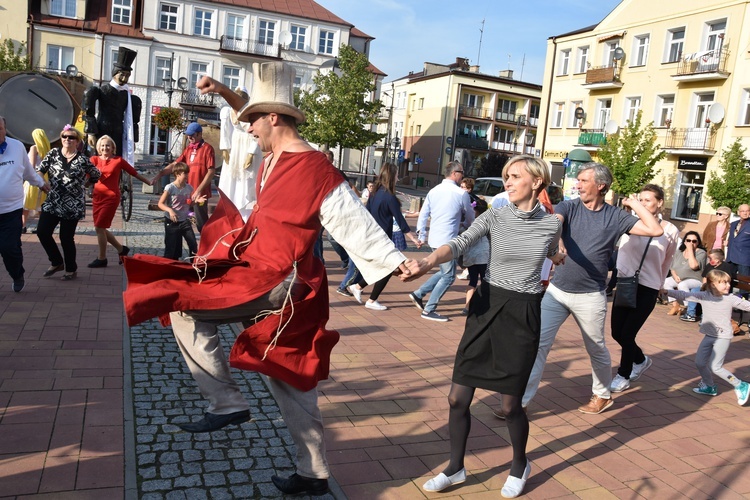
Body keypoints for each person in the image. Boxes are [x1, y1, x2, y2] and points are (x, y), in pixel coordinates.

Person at [121, 61, 417, 497]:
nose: (249, 129)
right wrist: (223, 89)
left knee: (179, 302)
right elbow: (248, 112)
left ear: (274, 118)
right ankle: (313, 473)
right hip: (257, 271)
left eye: (255, 121)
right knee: (284, 374)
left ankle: (226, 402)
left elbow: (353, 220)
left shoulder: (317, 169)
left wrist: (395, 261)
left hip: (280, 281)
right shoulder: (273, 156)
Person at [404, 155, 563, 498]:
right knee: (457, 398)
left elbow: (550, 250)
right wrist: (428, 260)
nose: (507, 182)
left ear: (537, 182)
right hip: (486, 305)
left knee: (509, 405)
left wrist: (557, 256)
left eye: (514, 176)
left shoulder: (553, 223)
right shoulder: (496, 214)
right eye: (506, 176)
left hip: (522, 314)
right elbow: (461, 242)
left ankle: (520, 464)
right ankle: (456, 467)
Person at [520, 162, 663, 415]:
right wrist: (555, 243)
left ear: (601, 186)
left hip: (590, 295)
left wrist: (635, 203)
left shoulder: (616, 216)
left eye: (584, 181)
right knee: (537, 344)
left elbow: (655, 229)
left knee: (595, 347)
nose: (578, 185)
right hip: (558, 291)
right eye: (578, 180)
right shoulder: (570, 206)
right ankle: (520, 402)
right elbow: (556, 221)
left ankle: (602, 395)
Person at [609, 184, 679, 393]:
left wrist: (659, 284)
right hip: (625, 281)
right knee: (616, 333)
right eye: (641, 199)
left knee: (628, 333)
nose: (643, 203)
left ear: (659, 203)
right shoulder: (629, 222)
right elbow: (616, 245)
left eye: (648, 200)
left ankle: (623, 374)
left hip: (648, 286)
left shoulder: (669, 230)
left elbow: (667, 260)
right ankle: (640, 359)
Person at [663, 270, 750, 405]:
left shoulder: (730, 298)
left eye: (728, 282)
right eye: (724, 283)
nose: (728, 285)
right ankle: (709, 386)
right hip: (709, 336)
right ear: (713, 284)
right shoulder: (704, 296)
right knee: (699, 362)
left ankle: (740, 385)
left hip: (723, 336)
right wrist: (667, 292)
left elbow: (747, 306)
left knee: (715, 367)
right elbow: (685, 295)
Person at [347, 163, 421, 310]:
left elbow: (366, 213)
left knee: (383, 267)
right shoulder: (390, 197)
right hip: (383, 239)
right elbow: (400, 220)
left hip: (373, 236)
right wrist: (413, 238)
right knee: (389, 268)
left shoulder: (374, 193)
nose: (398, 177)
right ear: (392, 176)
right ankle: (371, 299)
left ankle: (358, 286)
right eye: (397, 174)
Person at [409, 161, 475, 321]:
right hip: (449, 241)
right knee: (449, 276)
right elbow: (470, 217)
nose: (462, 176)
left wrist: (422, 235)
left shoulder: (434, 190)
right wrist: (465, 226)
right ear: (454, 173)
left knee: (444, 271)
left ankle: (419, 293)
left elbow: (423, 214)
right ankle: (429, 309)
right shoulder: (461, 194)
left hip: (435, 239)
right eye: (461, 173)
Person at [36, 126, 101, 281]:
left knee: (66, 237)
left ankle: (71, 269)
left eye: (71, 137)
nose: (67, 139)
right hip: (53, 200)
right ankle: (57, 261)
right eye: (64, 137)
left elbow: (96, 174)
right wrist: (40, 181)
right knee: (42, 232)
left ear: (77, 141)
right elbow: (41, 169)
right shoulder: (53, 154)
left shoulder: (83, 159)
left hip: (72, 203)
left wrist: (87, 184)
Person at [0, 116, 50, 292]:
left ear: (5, 129)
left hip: (11, 210)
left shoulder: (16, 147)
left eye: (0, 128)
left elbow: (28, 171)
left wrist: (40, 183)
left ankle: (17, 273)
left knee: (9, 248)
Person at [88, 135, 152, 268]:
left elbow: (133, 172)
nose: (105, 148)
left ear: (113, 148)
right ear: (98, 147)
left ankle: (102, 258)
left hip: (111, 197)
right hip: (97, 197)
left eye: (108, 145)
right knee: (100, 228)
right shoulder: (93, 160)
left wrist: (149, 182)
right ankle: (121, 249)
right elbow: (85, 176)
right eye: (102, 145)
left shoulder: (118, 160)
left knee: (100, 227)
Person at [83, 47, 142, 166]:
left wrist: (132, 140)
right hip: (101, 129)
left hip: (119, 132)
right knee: (99, 160)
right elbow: (89, 111)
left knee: (116, 161)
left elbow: (134, 121)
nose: (124, 79)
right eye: (122, 75)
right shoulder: (102, 90)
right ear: (115, 73)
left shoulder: (129, 97)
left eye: (127, 75)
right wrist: (91, 132)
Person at [154, 122, 216, 232]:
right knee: (182, 219)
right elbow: (175, 165)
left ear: (199, 134)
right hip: (186, 192)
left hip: (199, 193)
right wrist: (161, 173)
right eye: (188, 135)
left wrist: (198, 190)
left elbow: (211, 172)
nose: (189, 137)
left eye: (191, 135)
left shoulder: (208, 149)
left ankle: (206, 245)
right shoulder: (189, 149)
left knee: (201, 221)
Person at [218, 86, 262, 222]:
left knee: (247, 178)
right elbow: (225, 131)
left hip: (249, 144)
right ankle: (232, 207)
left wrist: (251, 152)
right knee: (232, 177)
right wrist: (225, 147)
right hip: (236, 145)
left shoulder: (250, 113)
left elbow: (257, 134)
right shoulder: (227, 111)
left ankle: (246, 212)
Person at [157, 162, 204, 260]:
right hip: (171, 222)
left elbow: (189, 204)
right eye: (185, 173)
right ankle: (169, 267)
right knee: (171, 249)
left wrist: (196, 201)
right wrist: (170, 210)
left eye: (187, 173)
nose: (187, 176)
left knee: (193, 245)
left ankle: (194, 266)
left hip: (184, 221)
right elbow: (160, 203)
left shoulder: (189, 188)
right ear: (177, 174)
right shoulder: (170, 188)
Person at [681, 248, 736, 322]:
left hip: (718, 290)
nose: (709, 260)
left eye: (711, 258)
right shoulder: (709, 266)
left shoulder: (726, 267)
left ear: (717, 260)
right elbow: (704, 278)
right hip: (708, 287)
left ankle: (705, 318)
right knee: (694, 291)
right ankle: (690, 314)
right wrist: (704, 286)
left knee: (709, 296)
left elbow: (727, 281)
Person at [663, 230, 707, 316]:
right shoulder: (679, 252)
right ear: (685, 241)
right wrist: (675, 276)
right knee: (666, 282)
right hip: (679, 278)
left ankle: (688, 308)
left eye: (694, 241)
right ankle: (675, 305)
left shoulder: (701, 253)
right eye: (688, 240)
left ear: (698, 242)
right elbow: (672, 267)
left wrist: (690, 250)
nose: (691, 243)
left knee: (682, 285)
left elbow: (694, 266)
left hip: (695, 279)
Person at [22, 128, 51, 234]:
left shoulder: (34, 148)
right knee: (40, 206)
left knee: (26, 204)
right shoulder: (47, 148)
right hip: (44, 179)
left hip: (33, 179)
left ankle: (23, 225)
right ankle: (40, 227)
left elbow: (32, 165)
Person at [726, 204, 750, 279]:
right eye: (743, 211)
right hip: (730, 258)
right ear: (738, 212)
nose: (745, 213)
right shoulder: (733, 224)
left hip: (744, 260)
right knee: (727, 281)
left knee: (744, 284)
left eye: (747, 211)